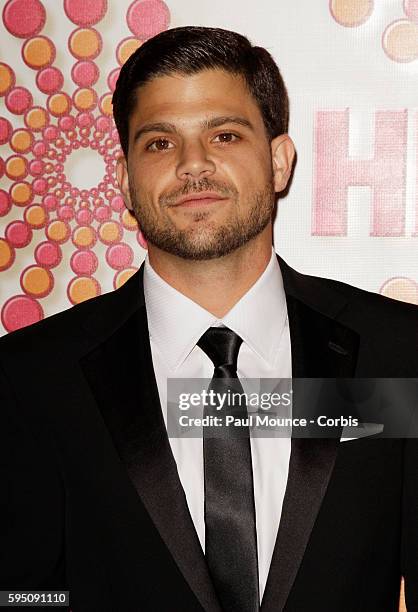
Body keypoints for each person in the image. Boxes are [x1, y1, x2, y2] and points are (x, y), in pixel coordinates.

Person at [0, 25, 417, 612]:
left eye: (224, 134)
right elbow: (19, 592)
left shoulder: (398, 355)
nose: (193, 164)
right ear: (124, 178)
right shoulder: (31, 379)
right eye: (160, 143)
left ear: (278, 161)